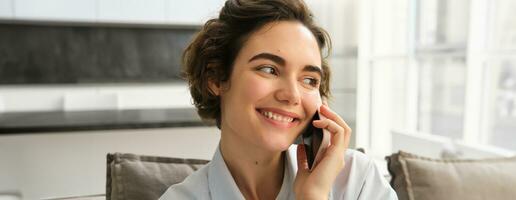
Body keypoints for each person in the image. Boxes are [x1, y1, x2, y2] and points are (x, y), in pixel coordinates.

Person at [160, 0, 398, 199]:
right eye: (269, 69)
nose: (292, 95)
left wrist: (314, 196)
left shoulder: (358, 182)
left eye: (309, 80)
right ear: (216, 77)